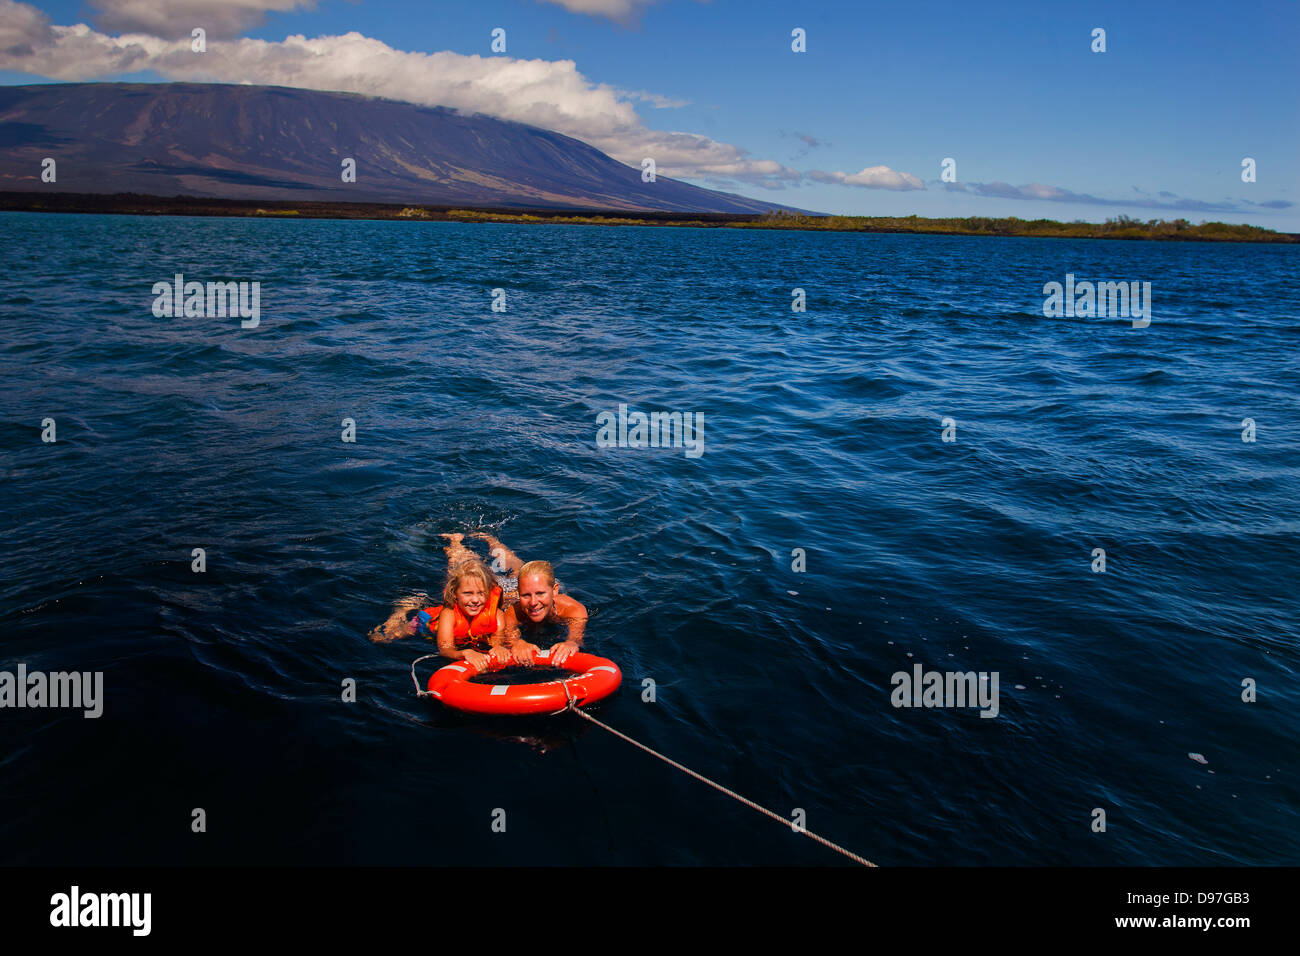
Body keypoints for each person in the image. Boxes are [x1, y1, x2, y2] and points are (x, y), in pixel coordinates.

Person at [470, 532, 587, 666]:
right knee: (475, 576)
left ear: (554, 590)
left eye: (540, 594)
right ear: (520, 594)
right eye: (525, 596)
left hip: (529, 584)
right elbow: (508, 636)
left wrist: (571, 642)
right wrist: (517, 643)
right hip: (510, 592)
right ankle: (456, 545)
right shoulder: (513, 613)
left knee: (520, 571)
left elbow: (576, 639)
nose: (533, 603)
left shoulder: (574, 610)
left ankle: (492, 540)